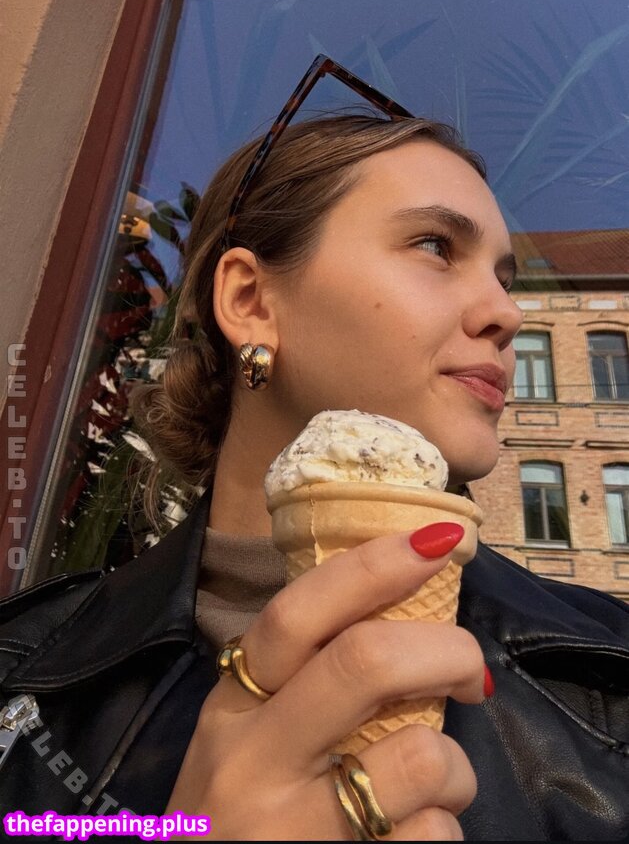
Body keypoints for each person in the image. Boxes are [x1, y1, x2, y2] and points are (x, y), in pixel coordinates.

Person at [0, 57, 628, 841]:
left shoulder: (609, 672)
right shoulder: (23, 675)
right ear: (249, 300)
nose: (507, 314)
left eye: (503, 279)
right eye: (435, 246)